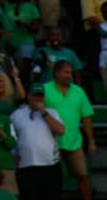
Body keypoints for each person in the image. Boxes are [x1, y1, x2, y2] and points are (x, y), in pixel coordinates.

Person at [40, 59, 94, 200]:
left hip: (74, 141)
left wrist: (92, 141)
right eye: (66, 72)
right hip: (50, 142)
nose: (69, 75)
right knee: (50, 179)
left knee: (83, 176)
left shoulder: (79, 91)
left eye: (70, 72)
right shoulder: (44, 89)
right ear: (56, 73)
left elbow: (87, 117)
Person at [8, 85, 64, 200]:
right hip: (26, 165)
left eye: (40, 97)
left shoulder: (52, 112)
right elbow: (10, 137)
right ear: (29, 96)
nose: (38, 100)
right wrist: (13, 154)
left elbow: (60, 130)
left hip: (50, 165)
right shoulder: (17, 114)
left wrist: (44, 113)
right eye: (35, 96)